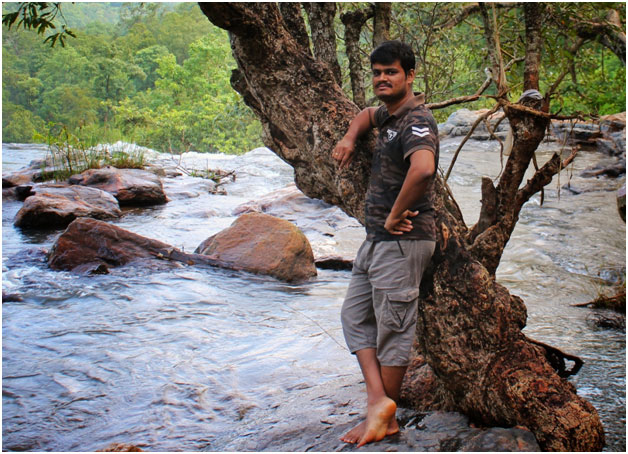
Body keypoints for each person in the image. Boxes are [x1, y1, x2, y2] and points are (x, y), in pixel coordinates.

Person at [331, 40, 439, 448]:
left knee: (393, 330)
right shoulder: (389, 115)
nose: (382, 78)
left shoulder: (416, 120)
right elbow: (363, 116)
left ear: (409, 76)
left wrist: (395, 213)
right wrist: (348, 137)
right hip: (376, 240)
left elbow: (424, 168)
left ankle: (383, 415)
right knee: (355, 318)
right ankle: (379, 403)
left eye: (390, 72)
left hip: (404, 239)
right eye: (377, 72)